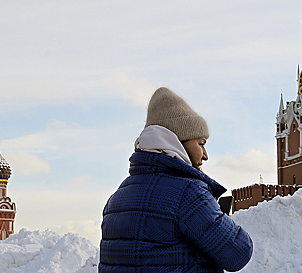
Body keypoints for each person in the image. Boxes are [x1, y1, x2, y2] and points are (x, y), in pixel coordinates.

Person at [99, 87, 253, 272]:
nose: (205, 155)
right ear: (177, 142)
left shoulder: (117, 198)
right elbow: (238, 254)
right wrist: (226, 222)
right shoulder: (189, 193)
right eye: (201, 144)